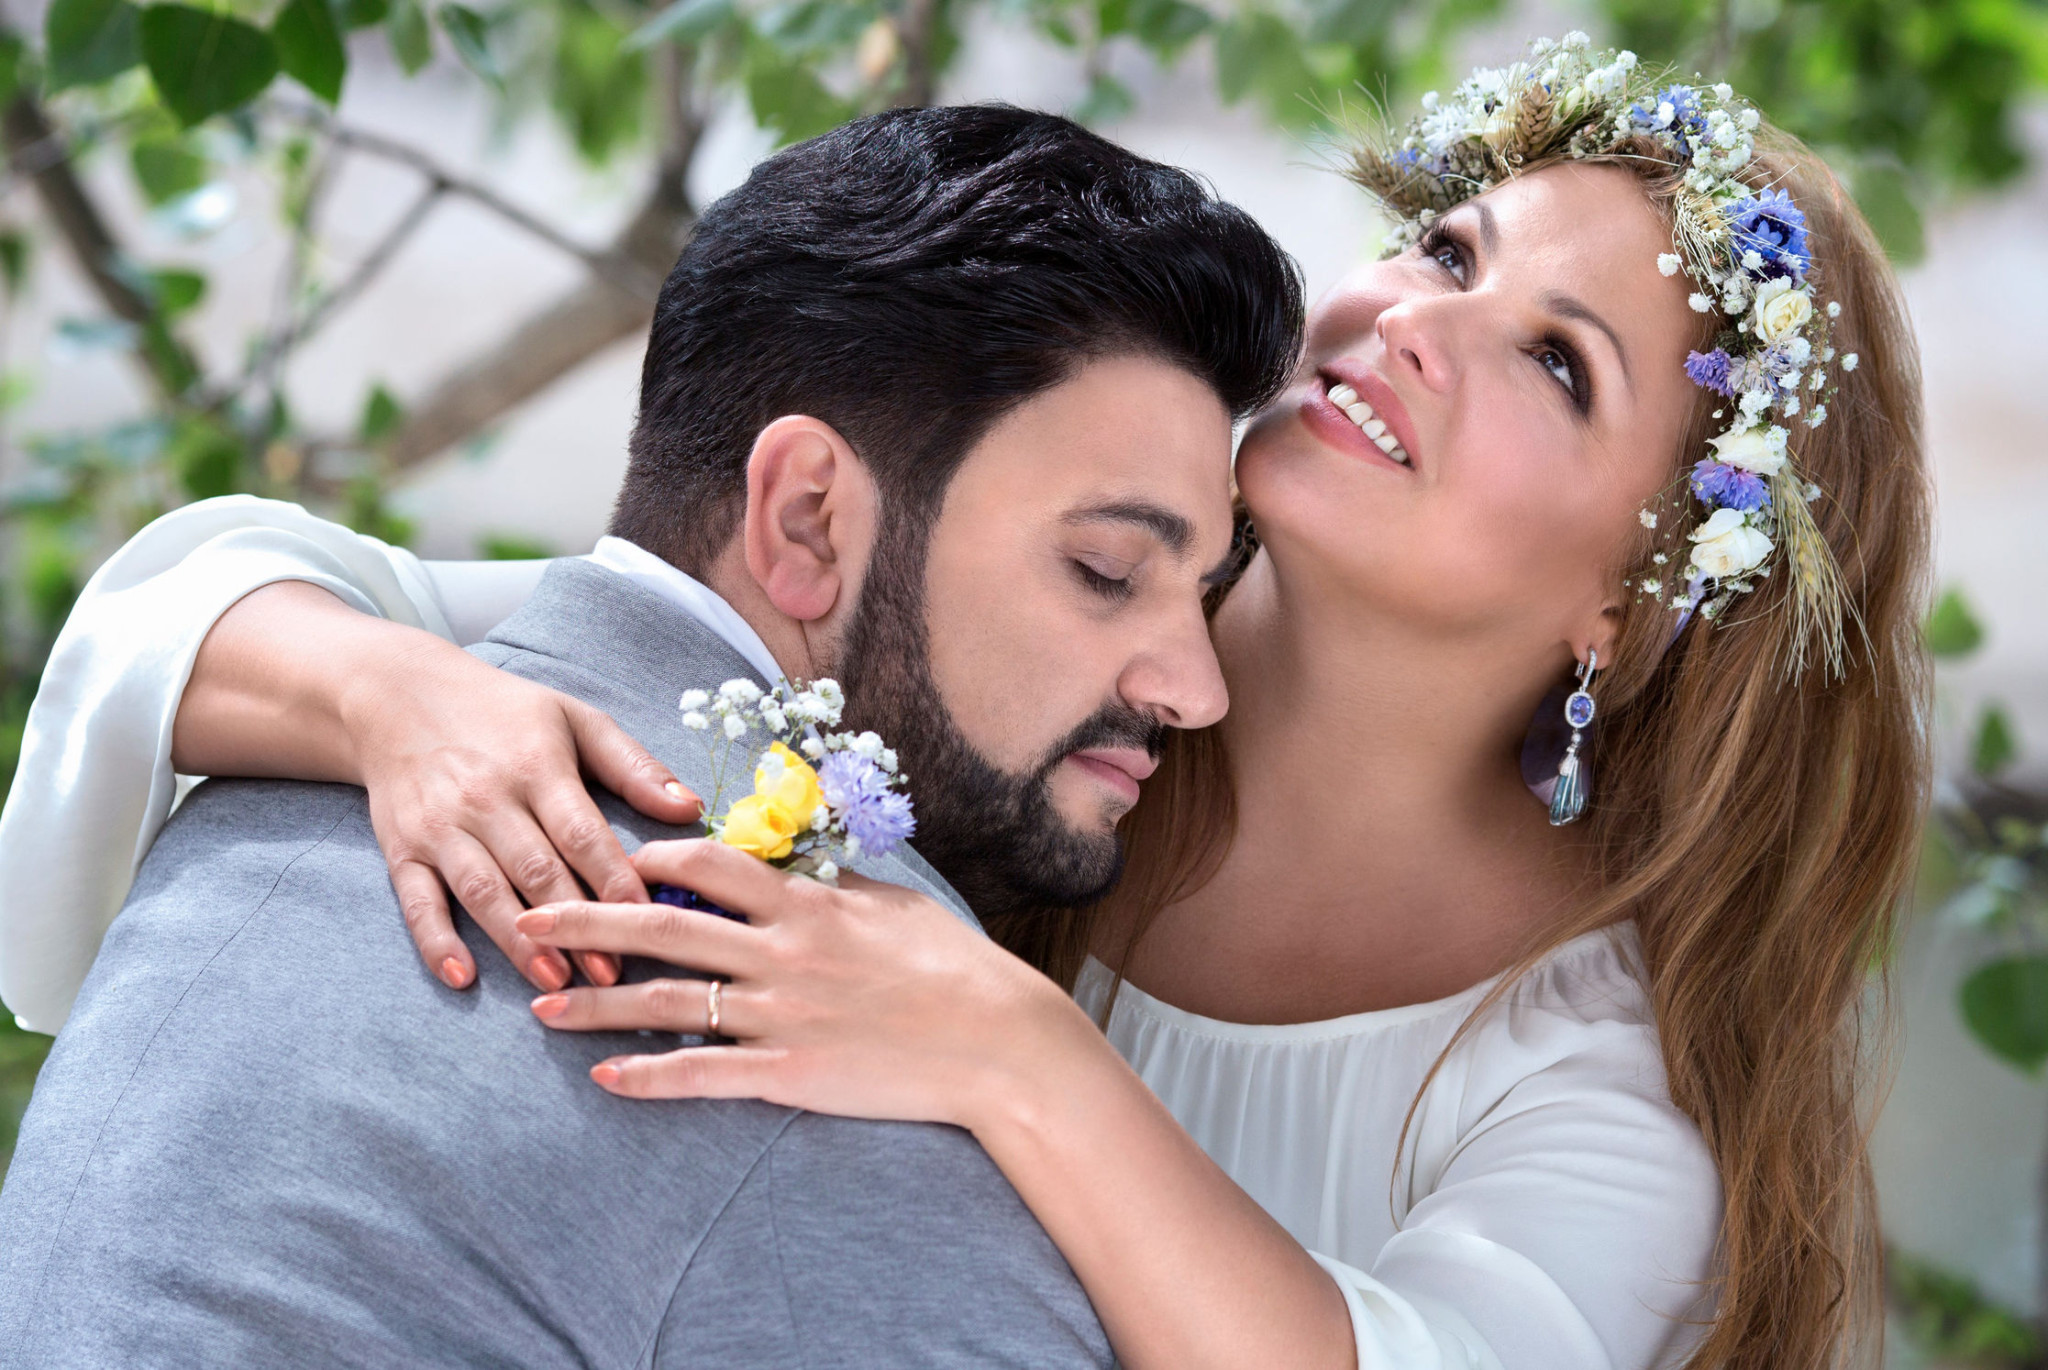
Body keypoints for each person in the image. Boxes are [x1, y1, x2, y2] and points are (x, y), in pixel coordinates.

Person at [0, 39, 1933, 1370]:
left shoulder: (1580, 1082)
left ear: (1633, 599)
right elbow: (277, 606)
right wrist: (395, 698)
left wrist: (1016, 1049)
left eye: (1557, 364)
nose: (1412, 324)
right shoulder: (990, 636)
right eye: (1444, 248)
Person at [0, 105, 1306, 1367]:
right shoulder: (811, 1035)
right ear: (805, 519)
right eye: (1104, 567)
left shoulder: (236, 820)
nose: (1197, 687)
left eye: (1203, 597)